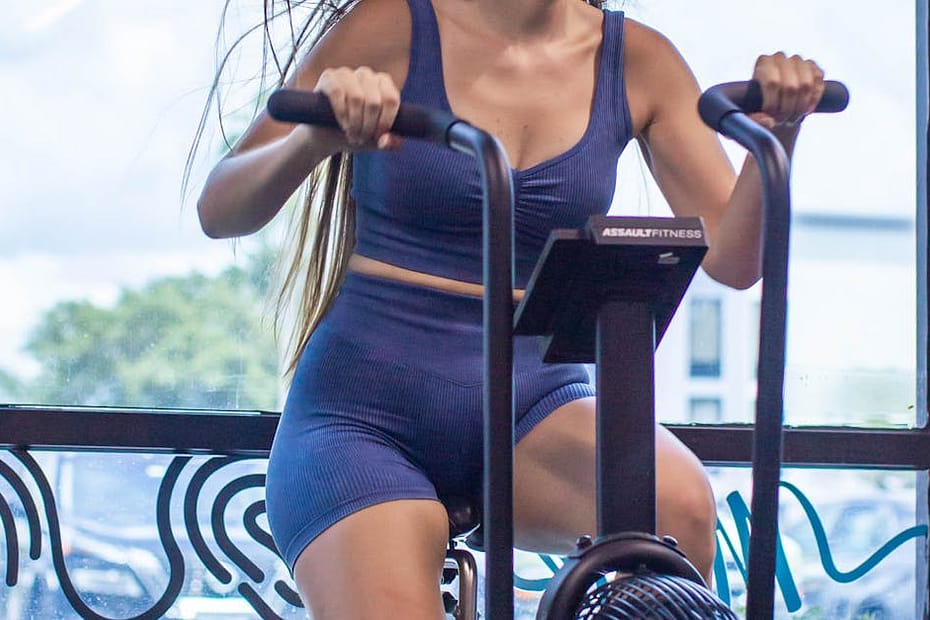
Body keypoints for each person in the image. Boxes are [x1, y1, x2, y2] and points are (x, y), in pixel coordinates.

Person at [196, 0, 826, 617]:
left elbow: (736, 262)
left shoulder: (636, 59)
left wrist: (778, 138)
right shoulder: (391, 23)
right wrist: (311, 140)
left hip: (536, 403)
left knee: (680, 504)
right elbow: (219, 208)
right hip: (363, 412)